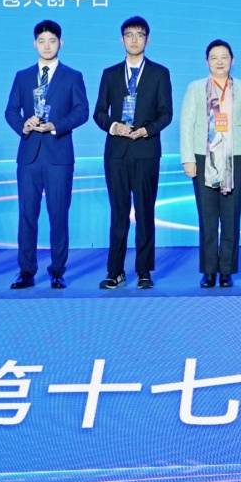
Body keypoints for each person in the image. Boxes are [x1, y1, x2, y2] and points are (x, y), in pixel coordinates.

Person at [5, 19, 88, 289]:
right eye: (41, 41)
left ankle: (57, 270)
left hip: (59, 156)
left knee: (58, 215)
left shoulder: (72, 76)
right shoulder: (23, 76)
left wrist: (56, 125)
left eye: (52, 41)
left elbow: (82, 111)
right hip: (29, 155)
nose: (47, 46)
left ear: (60, 43)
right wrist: (24, 124)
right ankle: (26, 271)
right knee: (27, 216)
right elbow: (10, 111)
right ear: (34, 44)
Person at [93, 16, 174, 289]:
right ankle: (115, 271)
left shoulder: (160, 73)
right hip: (116, 153)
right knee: (118, 214)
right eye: (129, 35)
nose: (134, 40)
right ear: (122, 40)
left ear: (148, 39)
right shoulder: (110, 74)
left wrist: (146, 130)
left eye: (140, 34)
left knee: (144, 213)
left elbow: (166, 113)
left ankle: (144, 270)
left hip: (146, 151)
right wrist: (113, 126)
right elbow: (99, 112)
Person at [180, 39, 241, 287]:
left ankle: (226, 270)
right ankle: (208, 271)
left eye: (224, 57)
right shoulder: (195, 88)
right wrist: (188, 159)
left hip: (235, 157)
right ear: (207, 62)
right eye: (214, 58)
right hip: (203, 157)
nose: (219, 62)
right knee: (207, 217)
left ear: (233, 61)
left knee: (231, 216)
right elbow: (186, 124)